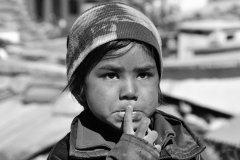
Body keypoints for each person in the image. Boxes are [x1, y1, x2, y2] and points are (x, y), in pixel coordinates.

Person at [47, 2, 205, 160]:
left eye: (143, 74)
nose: (130, 92)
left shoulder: (182, 144)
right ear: (80, 87)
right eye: (111, 75)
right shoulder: (65, 155)